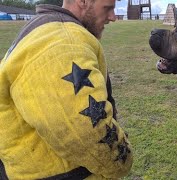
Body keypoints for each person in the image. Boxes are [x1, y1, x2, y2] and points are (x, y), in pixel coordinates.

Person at [0, 0, 133, 179]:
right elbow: (83, 129)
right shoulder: (65, 43)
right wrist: (121, 162)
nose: (113, 17)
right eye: (107, 8)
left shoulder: (41, 30)